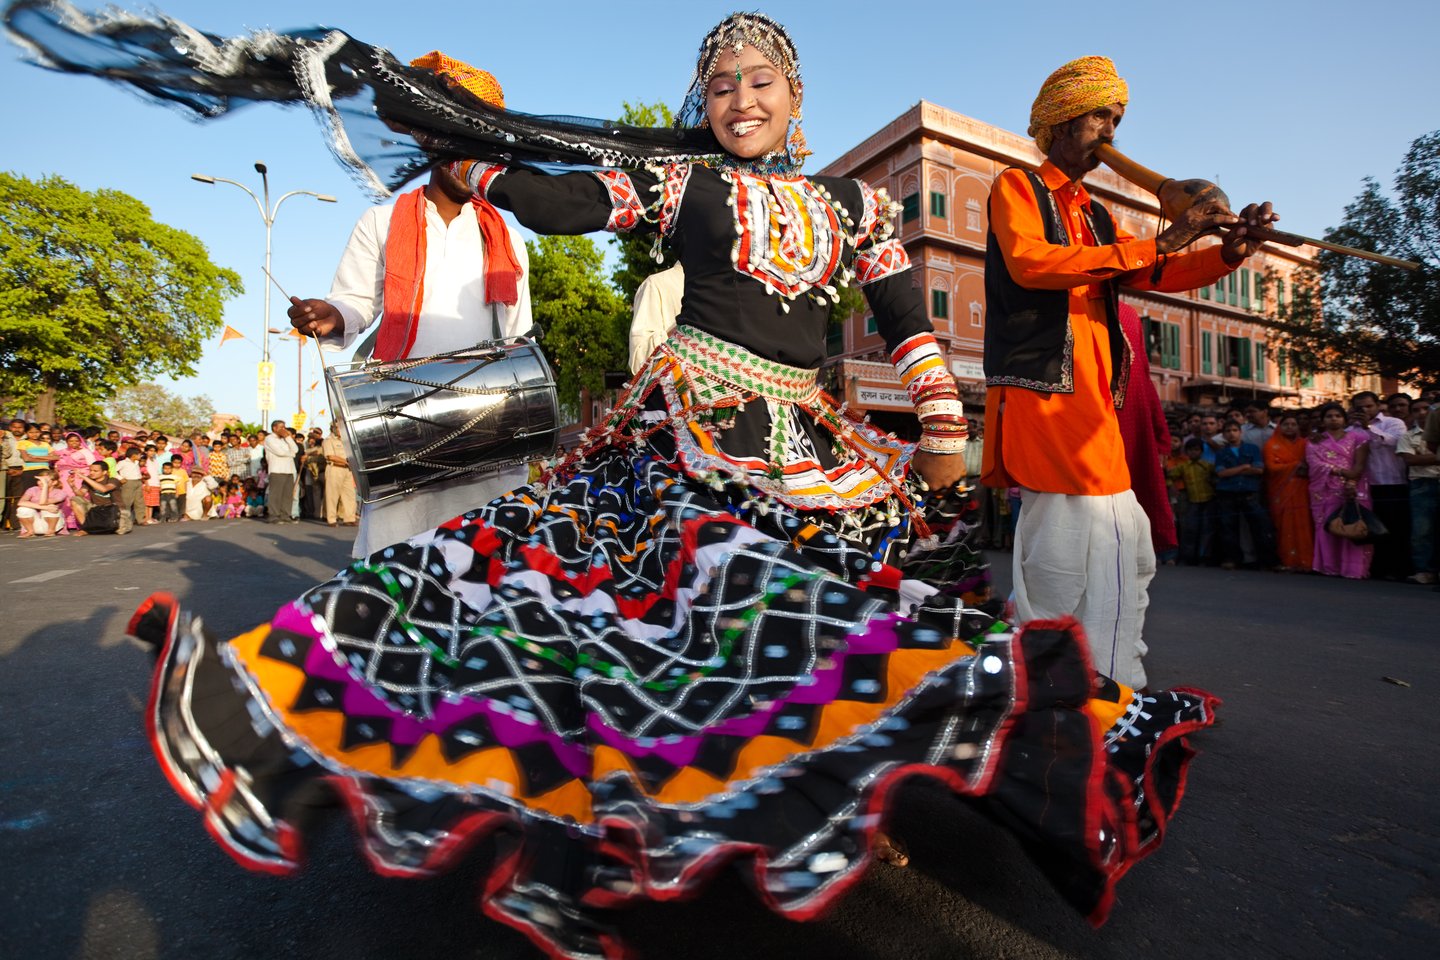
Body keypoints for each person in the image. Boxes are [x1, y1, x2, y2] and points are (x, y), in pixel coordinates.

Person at [26, 11, 1216, 956]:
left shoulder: (861, 204)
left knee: (840, 621)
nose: (741, 98)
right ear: (706, 105)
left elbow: (904, 318)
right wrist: (470, 147)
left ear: (797, 97)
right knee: (639, 613)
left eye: (762, 79)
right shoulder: (684, 186)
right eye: (722, 84)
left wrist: (946, 425)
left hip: (817, 442)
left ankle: (830, 781)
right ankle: (605, 810)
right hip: (689, 431)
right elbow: (560, 200)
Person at [980, 55, 1274, 689]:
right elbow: (1033, 264)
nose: (1111, 132)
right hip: (1045, 394)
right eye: (1100, 117)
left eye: (1117, 118)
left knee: (1122, 544)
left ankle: (1112, 679)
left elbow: (1147, 274)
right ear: (1062, 120)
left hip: (1095, 404)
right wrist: (1164, 241)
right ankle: (1045, 684)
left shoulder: (1097, 215)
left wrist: (1227, 252)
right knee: (1061, 543)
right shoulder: (1017, 187)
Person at [287, 53, 532, 557]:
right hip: (402, 417)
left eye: (481, 143)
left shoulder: (507, 237)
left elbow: (518, 339)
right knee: (394, 562)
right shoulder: (379, 223)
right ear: (428, 139)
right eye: (457, 139)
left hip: (486, 427)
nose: (469, 156)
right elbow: (352, 303)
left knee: (483, 570)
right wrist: (331, 315)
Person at [1114, 303, 1177, 563]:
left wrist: (1160, 440)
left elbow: (1143, 377)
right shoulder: (1057, 302)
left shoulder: (1127, 315)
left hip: (1126, 435)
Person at [1308, 402, 1372, 579]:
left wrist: (1351, 482)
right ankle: (1330, 566)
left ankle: (1353, 569)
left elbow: (1359, 465)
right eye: (1329, 416)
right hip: (1323, 490)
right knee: (1327, 526)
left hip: (1352, 487)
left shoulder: (1358, 438)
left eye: (1337, 415)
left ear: (1344, 419)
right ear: (1322, 421)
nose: (1333, 419)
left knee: (1353, 523)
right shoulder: (1315, 441)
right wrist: (1340, 471)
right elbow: (1314, 465)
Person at [1350, 391, 1410, 579]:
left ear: (1377, 405)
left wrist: (1369, 427)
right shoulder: (1351, 429)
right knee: (1374, 528)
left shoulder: (1393, 423)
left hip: (1394, 482)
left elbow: (1394, 442)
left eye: (1369, 406)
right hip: (1368, 486)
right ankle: (1378, 568)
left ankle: (1399, 569)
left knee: (1397, 528)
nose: (1365, 410)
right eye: (1360, 407)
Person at [1213, 421, 1278, 570]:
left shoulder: (1252, 449)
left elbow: (1258, 470)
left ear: (1240, 432)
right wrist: (1243, 467)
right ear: (1223, 434)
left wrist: (1233, 471)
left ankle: (1266, 560)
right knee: (1228, 528)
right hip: (1227, 493)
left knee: (1260, 526)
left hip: (1249, 492)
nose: (1231, 433)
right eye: (1228, 431)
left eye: (1235, 430)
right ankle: (1232, 559)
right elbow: (1221, 473)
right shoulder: (1222, 452)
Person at [1263, 413, 1314, 572]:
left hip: (1302, 490)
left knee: (1304, 525)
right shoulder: (1271, 445)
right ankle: (1288, 560)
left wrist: (1300, 467)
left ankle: (1306, 561)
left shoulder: (1305, 444)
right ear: (1279, 426)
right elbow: (1271, 468)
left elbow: (1312, 464)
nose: (1290, 427)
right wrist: (1296, 465)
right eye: (1286, 424)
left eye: (1294, 424)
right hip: (1281, 491)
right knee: (1284, 527)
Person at [1397, 397, 1438, 584]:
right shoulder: (1408, 436)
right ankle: (1424, 570)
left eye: (1425, 409)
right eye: (1416, 410)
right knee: (1422, 530)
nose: (1421, 413)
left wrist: (1426, 457)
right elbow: (1410, 460)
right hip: (1421, 483)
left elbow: (1417, 459)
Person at [1168, 438, 1217, 566]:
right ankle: (1188, 557)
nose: (1194, 453)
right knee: (1190, 530)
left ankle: (1204, 557)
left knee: (1207, 530)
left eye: (1196, 450)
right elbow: (1169, 477)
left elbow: (1216, 477)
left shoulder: (1207, 466)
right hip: (1192, 501)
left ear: (1201, 451)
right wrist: (1172, 487)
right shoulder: (1183, 467)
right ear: (1187, 452)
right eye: (1190, 450)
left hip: (1208, 499)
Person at [70, 460, 121, 535]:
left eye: (95, 471)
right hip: (96, 508)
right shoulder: (88, 480)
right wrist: (73, 486)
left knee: (119, 530)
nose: (91, 473)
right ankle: (85, 528)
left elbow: (104, 489)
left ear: (104, 472)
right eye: (90, 470)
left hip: (114, 509)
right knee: (75, 500)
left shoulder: (113, 480)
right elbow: (81, 494)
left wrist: (84, 477)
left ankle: (98, 527)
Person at [321, 419, 357, 526]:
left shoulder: (347, 440)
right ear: (333, 428)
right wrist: (346, 462)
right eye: (338, 427)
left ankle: (349, 518)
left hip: (348, 470)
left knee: (349, 494)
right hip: (335, 468)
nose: (341, 429)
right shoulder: (328, 440)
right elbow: (330, 456)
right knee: (332, 495)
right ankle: (331, 519)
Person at [261, 420, 299, 523]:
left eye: (284, 427)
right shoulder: (269, 439)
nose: (284, 429)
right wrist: (291, 453)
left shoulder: (285, 439)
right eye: (281, 427)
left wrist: (288, 438)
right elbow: (280, 452)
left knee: (287, 495)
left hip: (289, 469)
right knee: (276, 494)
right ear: (274, 428)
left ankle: (285, 515)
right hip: (277, 470)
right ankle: (273, 516)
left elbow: (295, 450)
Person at [15, 468, 66, 538]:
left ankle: (51, 531)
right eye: (39, 480)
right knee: (22, 509)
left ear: (54, 482)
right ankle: (30, 531)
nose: (41, 482)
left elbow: (43, 502)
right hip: (35, 522)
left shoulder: (60, 492)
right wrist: (44, 507)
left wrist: (45, 486)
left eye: (45, 480)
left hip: (53, 524)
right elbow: (21, 502)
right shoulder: (33, 489)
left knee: (51, 506)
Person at [114, 445, 145, 533]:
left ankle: (141, 519)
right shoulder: (122, 462)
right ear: (133, 455)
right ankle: (126, 520)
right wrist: (120, 478)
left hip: (138, 481)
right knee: (127, 501)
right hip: (128, 482)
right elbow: (113, 471)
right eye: (139, 455)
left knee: (139, 501)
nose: (140, 456)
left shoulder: (136, 463)